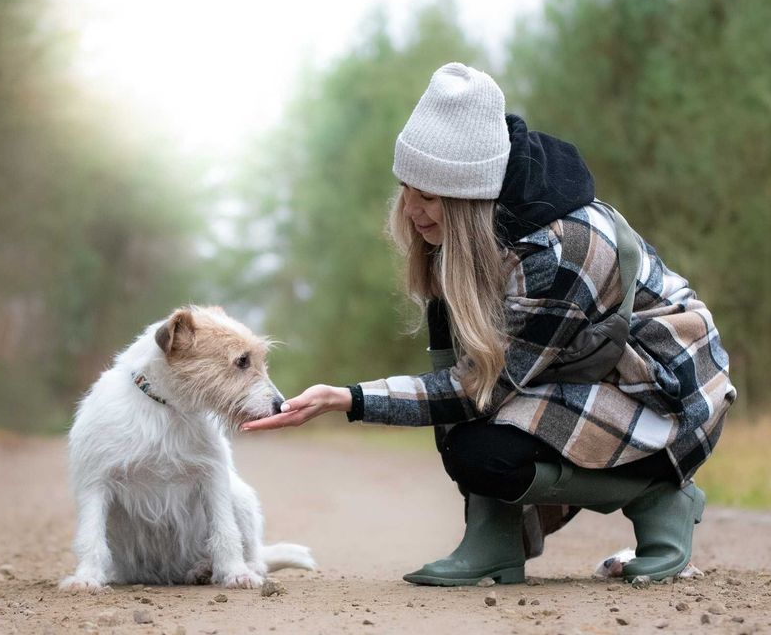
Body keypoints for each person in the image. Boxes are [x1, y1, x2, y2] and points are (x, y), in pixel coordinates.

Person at [242, 62, 737, 586]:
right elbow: (464, 375)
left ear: (471, 195)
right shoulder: (461, 239)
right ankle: (494, 539)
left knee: (485, 451)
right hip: (589, 371)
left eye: (429, 196)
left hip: (666, 391)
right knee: (467, 440)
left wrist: (349, 399)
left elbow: (480, 391)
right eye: (406, 188)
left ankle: (659, 494)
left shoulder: (558, 249)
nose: (411, 210)